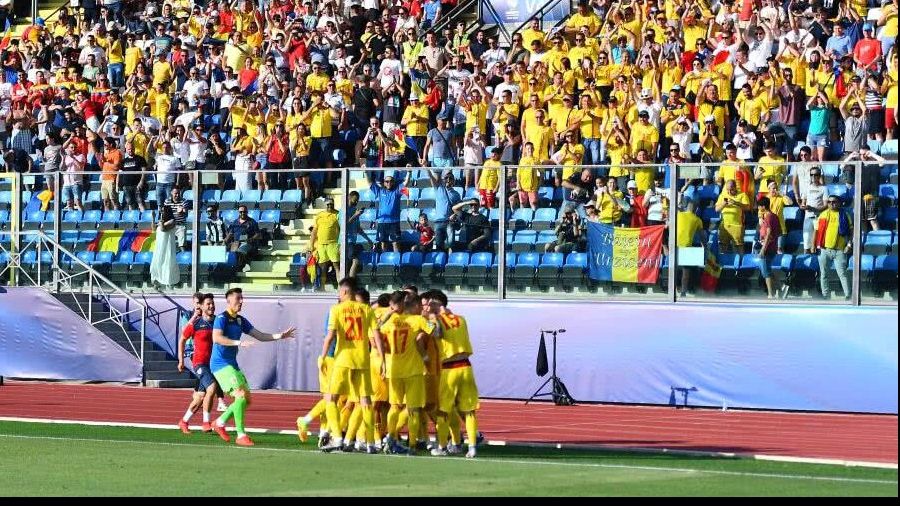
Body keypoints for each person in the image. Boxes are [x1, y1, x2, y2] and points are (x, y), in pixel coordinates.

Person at [209, 287, 296, 447]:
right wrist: (239, 342)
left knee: (246, 400)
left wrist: (280, 336)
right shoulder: (221, 318)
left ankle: (220, 422)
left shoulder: (240, 320)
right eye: (238, 299)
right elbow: (217, 338)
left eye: (242, 298)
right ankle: (241, 435)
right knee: (240, 395)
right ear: (229, 301)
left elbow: (260, 335)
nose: (241, 301)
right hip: (220, 364)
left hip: (231, 364)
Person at [320, 277, 384, 454]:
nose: (339, 295)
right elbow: (376, 335)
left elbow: (330, 335)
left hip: (343, 359)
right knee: (366, 401)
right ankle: (370, 443)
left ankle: (337, 438)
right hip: (362, 360)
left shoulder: (337, 309)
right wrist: (383, 359)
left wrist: (322, 356)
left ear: (345, 292)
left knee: (332, 398)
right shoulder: (366, 309)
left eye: (339, 291)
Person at [424, 289, 480, 459]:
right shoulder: (461, 319)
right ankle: (472, 447)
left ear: (437, 303)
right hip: (466, 367)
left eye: (431, 303)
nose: (427, 306)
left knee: (443, 410)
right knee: (469, 410)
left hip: (450, 368)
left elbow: (437, 333)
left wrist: (431, 319)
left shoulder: (435, 319)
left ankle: (441, 446)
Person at [379, 291, 436, 454]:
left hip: (395, 370)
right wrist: (431, 318)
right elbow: (436, 332)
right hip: (413, 371)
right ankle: (411, 445)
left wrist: (389, 312)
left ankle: (390, 437)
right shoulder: (417, 320)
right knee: (414, 409)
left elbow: (376, 329)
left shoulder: (392, 321)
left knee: (394, 406)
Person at [177, 293, 222, 434]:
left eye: (212, 303)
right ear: (201, 306)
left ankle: (183, 422)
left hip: (213, 365)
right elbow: (182, 340)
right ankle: (206, 423)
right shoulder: (195, 324)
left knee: (200, 398)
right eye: (208, 304)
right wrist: (181, 360)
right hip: (199, 363)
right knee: (212, 388)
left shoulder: (219, 322)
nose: (211, 306)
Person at [816, 196, 853, 300]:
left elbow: (851, 232)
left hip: (840, 250)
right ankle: (825, 296)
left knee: (842, 274)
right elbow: (817, 231)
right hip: (824, 249)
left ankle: (848, 296)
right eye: (829, 202)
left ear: (839, 203)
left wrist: (849, 245)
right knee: (823, 274)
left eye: (834, 202)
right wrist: (816, 245)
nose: (831, 203)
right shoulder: (823, 214)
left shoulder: (845, 215)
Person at [310, 198, 340, 286]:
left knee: (336, 265)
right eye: (328, 204)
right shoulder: (319, 215)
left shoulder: (337, 214)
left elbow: (341, 229)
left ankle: (340, 287)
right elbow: (314, 231)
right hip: (321, 244)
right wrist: (311, 244)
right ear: (325, 205)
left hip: (333, 244)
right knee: (323, 267)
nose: (330, 206)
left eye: (331, 204)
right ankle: (322, 287)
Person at [755, 197, 781, 299]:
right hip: (771, 246)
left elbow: (769, 233)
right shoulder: (773, 216)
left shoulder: (769, 217)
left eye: (759, 206)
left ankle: (771, 294)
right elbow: (777, 232)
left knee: (765, 271)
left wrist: (763, 249)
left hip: (767, 248)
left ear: (763, 206)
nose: (758, 208)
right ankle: (781, 287)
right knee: (767, 269)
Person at [149, 205, 180, 289]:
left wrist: (161, 222)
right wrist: (153, 218)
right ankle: (157, 282)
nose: (161, 213)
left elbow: (163, 229)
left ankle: (169, 283)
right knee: (158, 261)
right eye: (161, 211)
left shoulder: (172, 221)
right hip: (159, 246)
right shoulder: (160, 221)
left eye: (163, 211)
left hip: (167, 246)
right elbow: (153, 229)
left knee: (168, 262)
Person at [225, 205, 263, 269]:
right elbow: (230, 234)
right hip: (236, 243)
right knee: (229, 252)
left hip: (247, 242)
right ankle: (228, 268)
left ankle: (238, 269)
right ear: (238, 212)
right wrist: (225, 241)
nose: (242, 213)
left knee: (240, 251)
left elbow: (258, 235)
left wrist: (251, 239)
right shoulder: (235, 222)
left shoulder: (252, 222)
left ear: (247, 212)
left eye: (244, 212)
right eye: (241, 212)